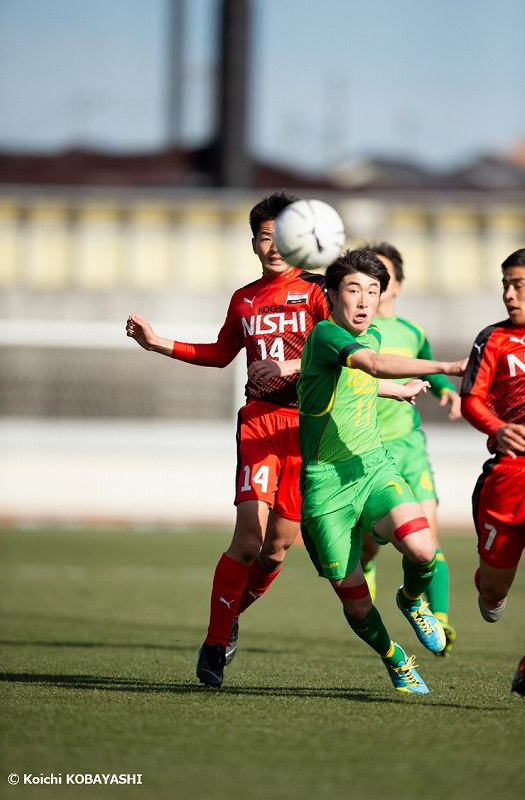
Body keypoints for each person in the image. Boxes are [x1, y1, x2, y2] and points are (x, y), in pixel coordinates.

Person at [126, 190, 331, 688]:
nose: (273, 247)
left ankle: (231, 613)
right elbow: (220, 353)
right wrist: (159, 344)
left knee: (278, 550)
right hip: (260, 421)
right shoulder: (244, 298)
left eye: (282, 237)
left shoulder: (322, 291)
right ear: (254, 244)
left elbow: (346, 354)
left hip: (310, 427)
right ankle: (215, 643)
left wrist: (291, 365)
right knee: (247, 540)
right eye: (264, 238)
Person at [297, 249, 466, 694]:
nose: (365, 299)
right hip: (324, 484)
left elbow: (362, 378)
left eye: (373, 290)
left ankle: (412, 601)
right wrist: (446, 367)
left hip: (372, 466)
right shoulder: (327, 335)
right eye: (354, 289)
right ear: (332, 295)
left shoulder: (369, 334)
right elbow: (368, 365)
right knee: (355, 603)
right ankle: (395, 659)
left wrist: (393, 391)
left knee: (423, 548)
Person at [358, 242, 460, 655]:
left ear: (395, 285)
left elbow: (430, 368)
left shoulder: (413, 333)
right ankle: (365, 582)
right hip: (365, 449)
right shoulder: (352, 333)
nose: (373, 287)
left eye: (381, 277)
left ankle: (440, 621)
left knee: (427, 541)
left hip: (409, 448)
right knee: (367, 546)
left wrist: (448, 392)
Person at [460, 247, 525, 696]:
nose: (508, 294)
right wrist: (499, 428)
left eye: (519, 285)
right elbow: (471, 399)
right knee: (494, 589)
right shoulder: (494, 339)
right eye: (505, 284)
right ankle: (490, 588)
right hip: (508, 476)